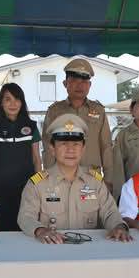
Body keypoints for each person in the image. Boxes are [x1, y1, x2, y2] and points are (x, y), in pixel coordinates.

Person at [18, 114, 131, 243]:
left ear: (83, 149)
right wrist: (40, 230)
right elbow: (25, 217)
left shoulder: (95, 182)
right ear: (52, 149)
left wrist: (119, 226)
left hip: (89, 249)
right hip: (52, 248)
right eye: (63, 144)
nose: (70, 150)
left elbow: (110, 213)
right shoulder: (37, 184)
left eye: (76, 144)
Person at [42, 58, 113, 189]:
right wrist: (49, 179)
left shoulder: (99, 111)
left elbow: (106, 146)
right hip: (62, 178)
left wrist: (109, 179)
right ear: (65, 83)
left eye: (84, 81)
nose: (79, 85)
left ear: (89, 85)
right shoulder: (54, 111)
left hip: (92, 176)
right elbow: (48, 147)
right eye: (74, 80)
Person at [0, 83, 42, 231]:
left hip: (27, 191)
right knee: (3, 231)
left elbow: (37, 160)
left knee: (27, 230)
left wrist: (39, 188)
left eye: (17, 99)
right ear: (1, 103)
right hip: (0, 192)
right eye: (8, 99)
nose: (13, 104)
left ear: (22, 102)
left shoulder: (31, 126)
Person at [112, 87, 139, 201]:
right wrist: (120, 196)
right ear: (131, 109)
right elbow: (117, 169)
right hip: (133, 192)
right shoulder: (123, 135)